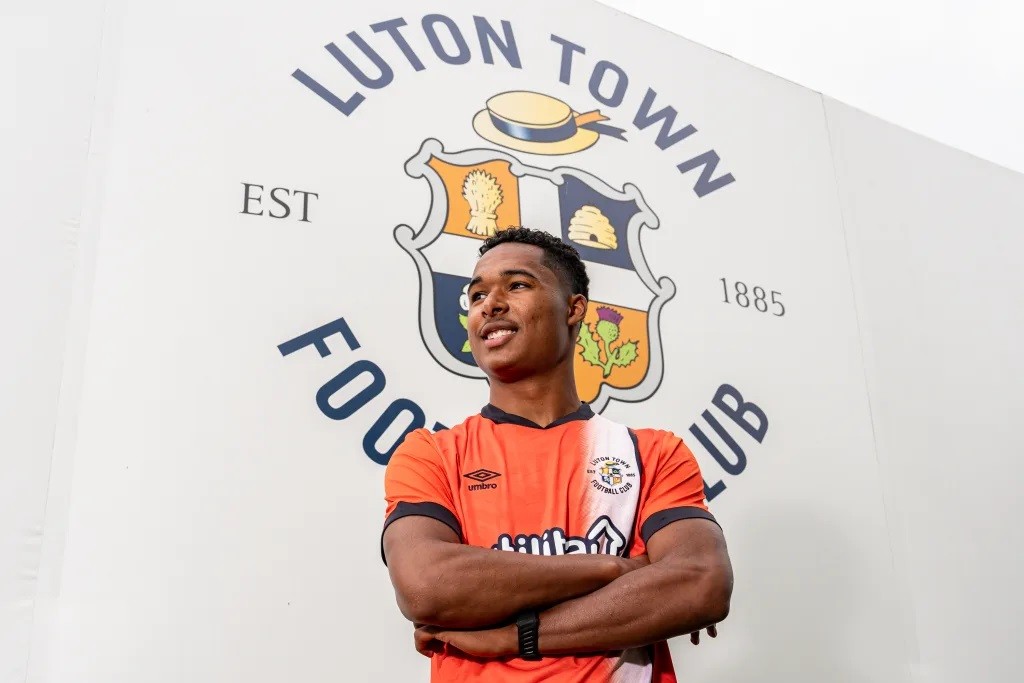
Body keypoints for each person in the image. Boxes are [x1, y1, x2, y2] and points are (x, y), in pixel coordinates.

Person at [381, 227, 733, 682]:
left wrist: (518, 635)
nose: (491, 304)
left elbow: (701, 582)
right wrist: (619, 568)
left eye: (518, 285)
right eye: (477, 294)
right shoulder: (431, 453)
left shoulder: (653, 452)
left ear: (574, 308)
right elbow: (429, 586)